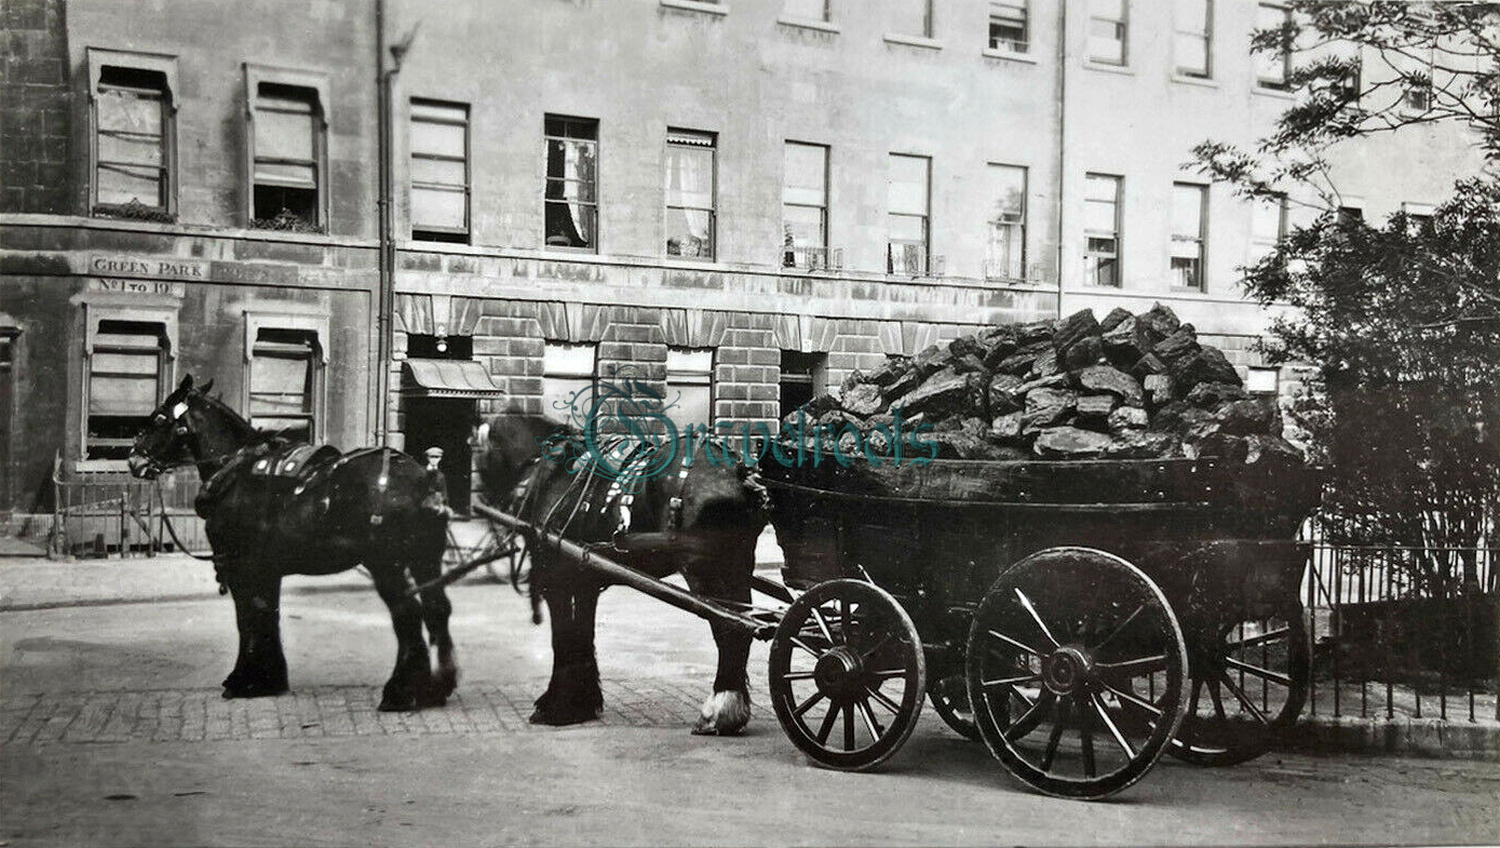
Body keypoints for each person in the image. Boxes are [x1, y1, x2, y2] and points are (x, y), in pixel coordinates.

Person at [421, 446, 450, 516]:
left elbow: (444, 493)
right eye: (432, 457)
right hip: (422, 503)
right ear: (428, 458)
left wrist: (442, 505)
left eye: (436, 457)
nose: (434, 460)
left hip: (436, 504)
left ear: (440, 459)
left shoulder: (441, 475)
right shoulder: (421, 472)